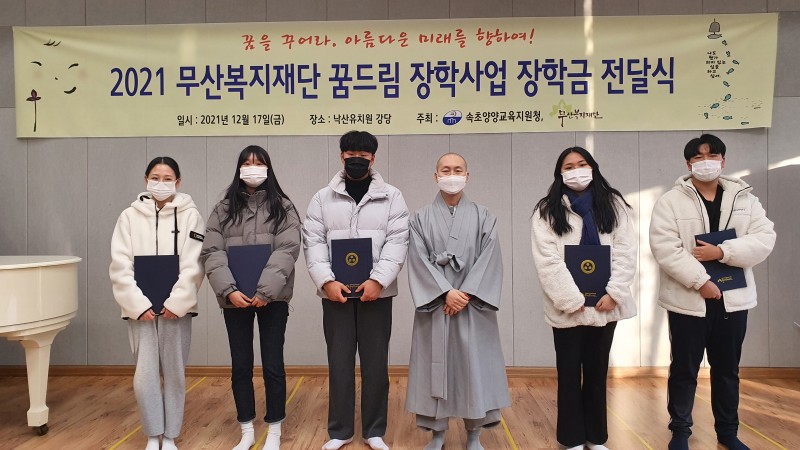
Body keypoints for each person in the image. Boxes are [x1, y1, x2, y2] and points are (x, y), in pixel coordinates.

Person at [649, 134, 775, 450]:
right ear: (688, 163)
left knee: (727, 371)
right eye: (698, 157)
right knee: (684, 369)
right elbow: (665, 249)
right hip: (688, 301)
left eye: (712, 155)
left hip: (734, 301)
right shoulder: (670, 201)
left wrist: (722, 252)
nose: (706, 162)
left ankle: (728, 433)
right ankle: (680, 431)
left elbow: (764, 239)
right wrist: (700, 282)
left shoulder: (746, 199)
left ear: (723, 160)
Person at [302, 130, 409, 450]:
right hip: (335, 294)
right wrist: (326, 281)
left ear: (373, 158)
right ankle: (340, 431)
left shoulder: (392, 196)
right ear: (341, 156)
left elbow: (398, 241)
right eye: (350, 154)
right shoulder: (322, 198)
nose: (356, 160)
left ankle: (374, 430)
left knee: (376, 364)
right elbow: (313, 242)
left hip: (377, 294)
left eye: (363, 155)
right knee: (339, 363)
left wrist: (378, 280)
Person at [530, 147, 637, 450]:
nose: (576, 170)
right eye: (569, 166)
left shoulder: (614, 205)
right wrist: (571, 299)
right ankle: (572, 438)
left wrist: (614, 293)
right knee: (568, 373)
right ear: (560, 173)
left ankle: (596, 437)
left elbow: (626, 251)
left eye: (582, 164)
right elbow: (547, 260)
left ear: (593, 167)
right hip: (567, 309)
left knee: (597, 372)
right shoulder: (547, 210)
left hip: (606, 305)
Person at [405, 153, 510, 450]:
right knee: (434, 367)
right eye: (446, 170)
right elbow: (417, 260)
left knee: (473, 368)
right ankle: (437, 434)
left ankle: (474, 433)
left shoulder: (484, 216)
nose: (452, 175)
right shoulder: (420, 218)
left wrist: (464, 293)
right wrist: (445, 292)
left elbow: (490, 258)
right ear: (436, 176)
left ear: (467, 175)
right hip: (437, 305)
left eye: (457, 170)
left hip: (472, 304)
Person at [201, 145, 301, 450]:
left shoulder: (284, 207)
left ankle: (274, 429)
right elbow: (212, 252)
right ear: (239, 169)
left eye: (258, 163)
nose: (252, 168)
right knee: (241, 365)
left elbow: (288, 250)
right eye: (247, 163)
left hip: (273, 298)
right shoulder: (222, 209)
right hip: (234, 299)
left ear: (268, 168)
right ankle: (246, 429)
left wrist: (265, 291)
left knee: (273, 364)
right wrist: (229, 290)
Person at [109, 156, 205, 450]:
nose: (160, 183)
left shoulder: (191, 216)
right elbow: (119, 264)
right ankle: (153, 434)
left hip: (176, 311)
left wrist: (178, 301)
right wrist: (137, 305)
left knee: (175, 373)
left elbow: (194, 263)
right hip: (141, 312)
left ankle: (171, 435)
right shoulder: (129, 216)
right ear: (146, 180)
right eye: (155, 178)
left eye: (167, 179)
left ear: (178, 182)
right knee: (145, 375)